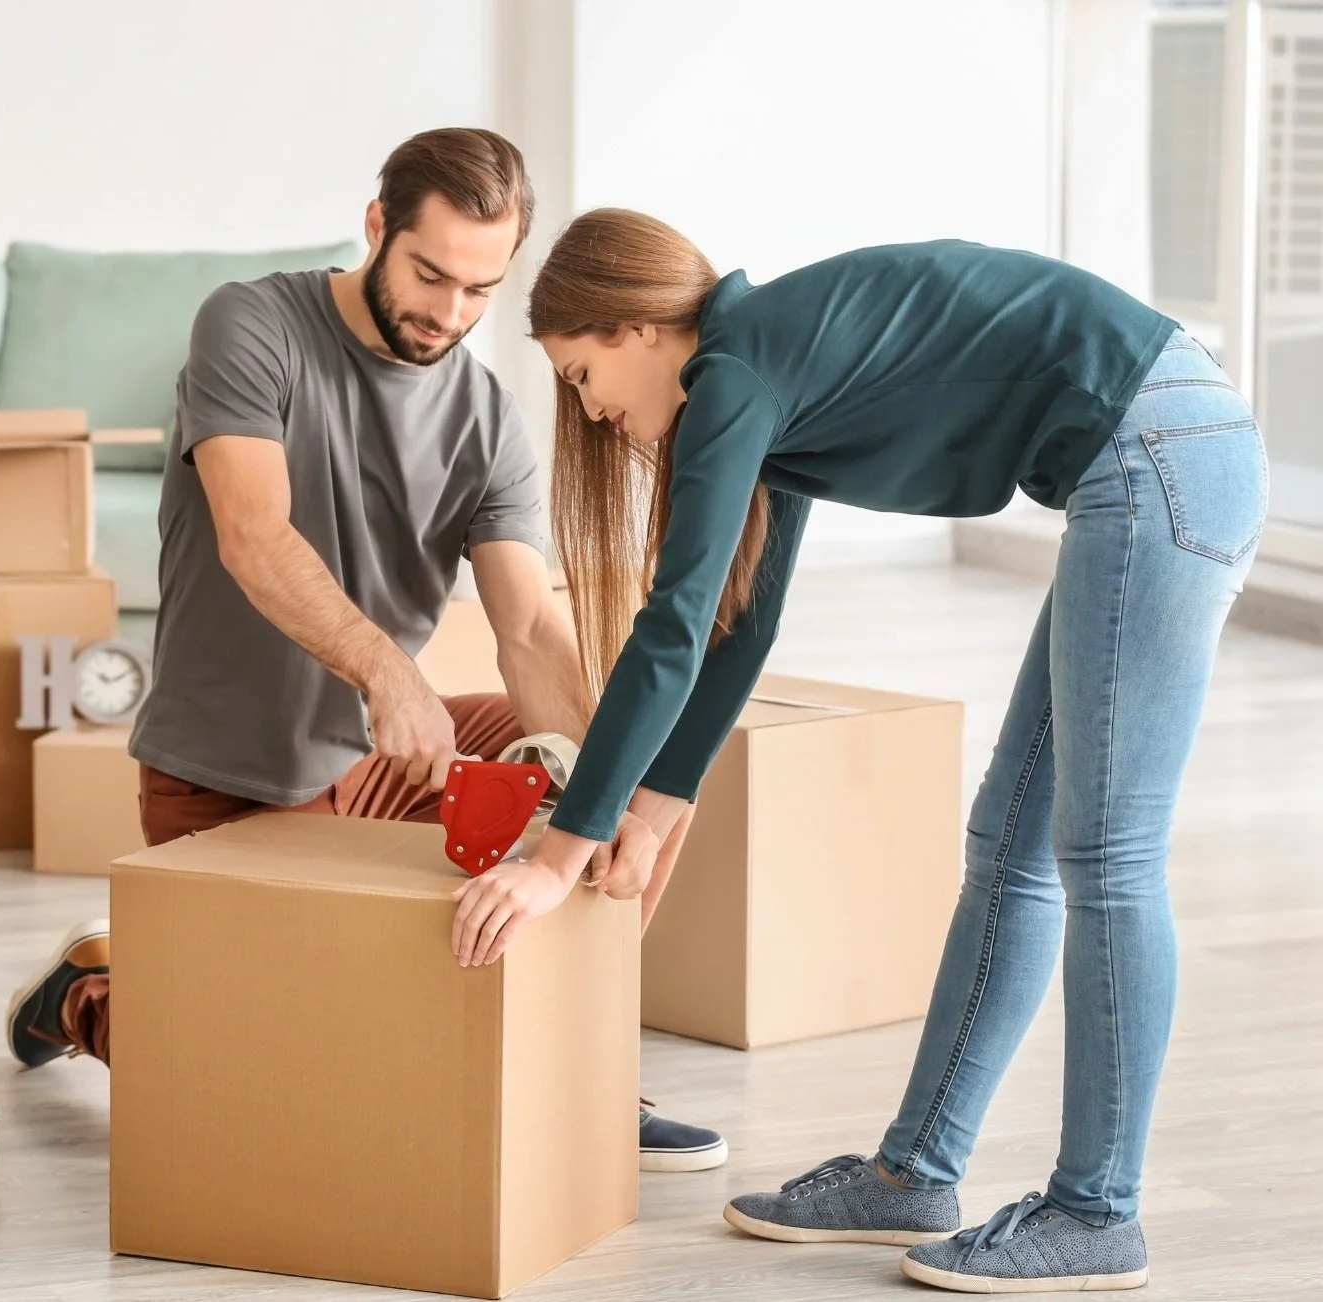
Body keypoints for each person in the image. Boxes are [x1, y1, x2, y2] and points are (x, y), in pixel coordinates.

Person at [450, 208, 1266, 1292]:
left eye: (580, 372)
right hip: (1147, 453)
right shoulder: (764, 376)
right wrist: (651, 807)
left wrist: (559, 849)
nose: (590, 412)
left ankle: (1094, 1213)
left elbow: (673, 622)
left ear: (637, 329)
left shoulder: (735, 372)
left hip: (1159, 449)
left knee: (1105, 855)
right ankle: (911, 1177)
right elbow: (739, 625)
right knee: (1006, 847)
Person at [3, 132, 728, 1173]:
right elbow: (253, 535)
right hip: (232, 782)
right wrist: (388, 671)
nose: (449, 312)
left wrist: (599, 794)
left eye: (480, 289)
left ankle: (578, 1065)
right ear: (377, 225)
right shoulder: (249, 325)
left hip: (388, 765)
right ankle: (88, 993)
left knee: (632, 766)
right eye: (429, 274)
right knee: (290, 1100)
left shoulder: (483, 417)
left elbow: (526, 626)